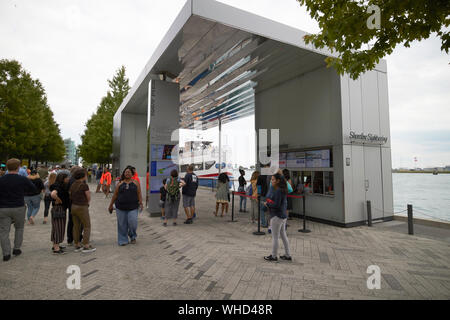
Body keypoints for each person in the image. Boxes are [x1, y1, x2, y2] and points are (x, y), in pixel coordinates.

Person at [0, 159, 38, 262]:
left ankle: (6, 254)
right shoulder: (22, 179)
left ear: (7, 167)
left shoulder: (1, 179)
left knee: (4, 231)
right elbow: (33, 189)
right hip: (19, 206)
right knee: (19, 228)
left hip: (3, 208)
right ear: (18, 167)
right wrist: (22, 192)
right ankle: (16, 249)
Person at [108, 167, 143, 246]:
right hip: (120, 207)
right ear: (124, 173)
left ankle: (132, 236)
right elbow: (115, 195)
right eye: (126, 172)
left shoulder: (136, 183)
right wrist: (110, 205)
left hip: (133, 207)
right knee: (121, 224)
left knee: (133, 223)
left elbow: (139, 193)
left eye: (129, 172)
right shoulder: (120, 183)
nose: (127, 173)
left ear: (132, 174)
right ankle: (123, 240)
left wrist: (141, 203)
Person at [263, 173, 292, 262]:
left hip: (277, 216)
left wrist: (267, 204)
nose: (271, 181)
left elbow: (276, 204)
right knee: (283, 235)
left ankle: (274, 256)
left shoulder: (279, 190)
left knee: (275, 237)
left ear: (278, 181)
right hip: (283, 216)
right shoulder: (282, 189)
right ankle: (287, 255)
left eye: (273, 180)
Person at [69, 168, 95, 253]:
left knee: (76, 226)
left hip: (73, 206)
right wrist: (87, 203)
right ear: (83, 176)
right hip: (82, 207)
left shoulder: (73, 184)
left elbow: (70, 195)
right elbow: (88, 196)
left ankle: (77, 244)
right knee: (87, 226)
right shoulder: (84, 185)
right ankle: (86, 245)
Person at [50, 172, 70, 254]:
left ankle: (56, 244)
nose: (68, 179)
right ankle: (56, 248)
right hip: (59, 208)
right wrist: (58, 199)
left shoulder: (58, 185)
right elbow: (53, 194)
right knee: (59, 227)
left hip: (59, 208)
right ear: (63, 178)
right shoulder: (58, 186)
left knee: (57, 227)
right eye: (66, 177)